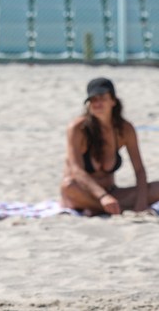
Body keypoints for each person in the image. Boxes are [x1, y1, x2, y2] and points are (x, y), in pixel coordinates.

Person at [60, 77, 159, 215]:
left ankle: (100, 209)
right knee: (68, 185)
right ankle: (114, 208)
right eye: (93, 100)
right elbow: (77, 171)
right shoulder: (78, 128)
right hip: (82, 194)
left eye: (102, 98)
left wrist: (141, 203)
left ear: (113, 101)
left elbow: (139, 170)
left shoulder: (124, 129)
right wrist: (102, 197)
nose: (97, 103)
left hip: (112, 193)